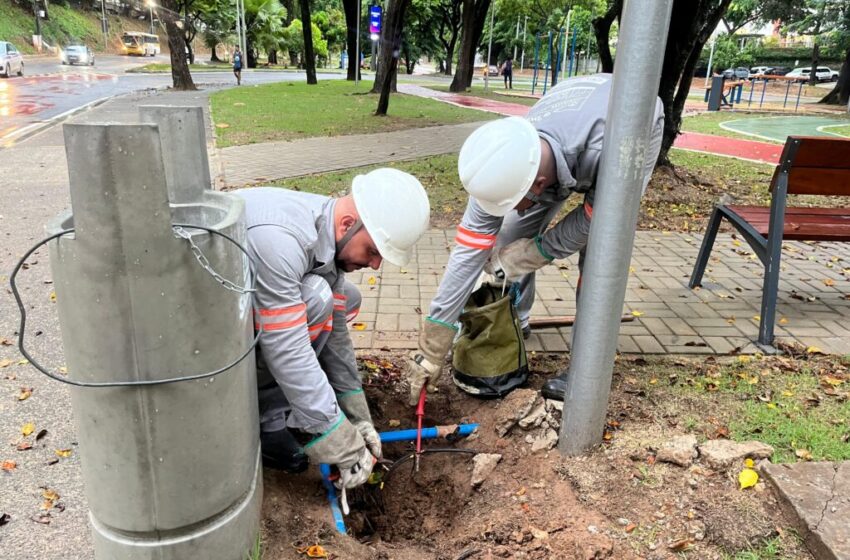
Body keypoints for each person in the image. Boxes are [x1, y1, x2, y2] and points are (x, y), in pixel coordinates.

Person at [405, 74, 664, 404]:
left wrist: (534, 253)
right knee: (509, 238)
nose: (504, 209)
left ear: (539, 185)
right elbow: (467, 252)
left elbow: (597, 219)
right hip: (565, 125)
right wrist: (433, 344)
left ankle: (588, 369)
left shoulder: (609, 151)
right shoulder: (504, 162)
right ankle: (517, 322)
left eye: (510, 201)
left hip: (632, 123)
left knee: (600, 251)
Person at [237, 169, 430, 489]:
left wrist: (357, 417)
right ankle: (266, 423)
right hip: (198, 339)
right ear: (347, 223)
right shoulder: (280, 240)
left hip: (238, 315)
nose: (376, 265)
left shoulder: (327, 231)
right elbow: (288, 348)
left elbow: (337, 337)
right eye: (372, 251)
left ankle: (298, 409)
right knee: (315, 300)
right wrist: (339, 439)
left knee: (344, 299)